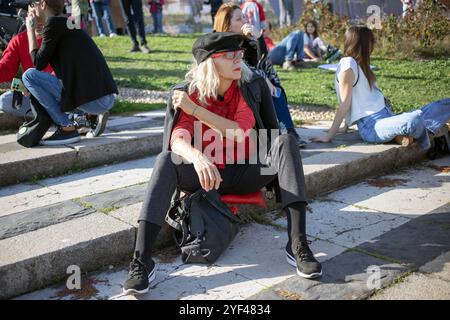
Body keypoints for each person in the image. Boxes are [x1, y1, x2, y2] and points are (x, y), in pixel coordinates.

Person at [122, 32, 322, 295]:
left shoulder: (245, 89)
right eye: (230, 56)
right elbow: (177, 140)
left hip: (246, 171)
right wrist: (197, 156)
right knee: (164, 160)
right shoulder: (190, 93)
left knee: (285, 142)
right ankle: (141, 261)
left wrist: (195, 110)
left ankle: (298, 245)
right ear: (210, 63)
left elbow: (240, 131)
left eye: (239, 54)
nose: (239, 59)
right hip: (206, 177)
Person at [311, 26, 450, 150]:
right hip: (372, 126)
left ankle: (413, 131)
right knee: (414, 118)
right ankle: (420, 132)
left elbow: (355, 98)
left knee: (445, 103)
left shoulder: (360, 64)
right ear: (363, 44)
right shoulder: (348, 64)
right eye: (371, 42)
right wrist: (329, 135)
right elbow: (345, 102)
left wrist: (345, 127)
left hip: (387, 116)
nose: (373, 46)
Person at [22, 0, 118, 145]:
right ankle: (87, 117)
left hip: (95, 100)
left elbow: (38, 62)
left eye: (31, 6)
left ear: (42, 4)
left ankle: (66, 128)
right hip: (106, 96)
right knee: (48, 81)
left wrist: (30, 30)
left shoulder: (53, 23)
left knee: (29, 76)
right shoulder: (67, 22)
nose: (30, 13)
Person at [214, 3, 308, 147]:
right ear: (227, 25)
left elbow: (262, 62)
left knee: (276, 91)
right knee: (271, 90)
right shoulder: (221, 44)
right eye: (239, 19)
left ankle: (288, 131)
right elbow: (240, 68)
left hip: (252, 81)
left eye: (244, 17)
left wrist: (259, 39)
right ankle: (282, 133)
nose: (245, 21)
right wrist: (264, 79)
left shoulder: (246, 40)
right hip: (234, 87)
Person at [0, 6, 53, 119]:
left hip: (57, 91)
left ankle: (52, 117)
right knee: (5, 101)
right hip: (35, 96)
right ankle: (49, 117)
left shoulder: (59, 35)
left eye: (41, 16)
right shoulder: (19, 40)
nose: (38, 21)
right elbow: (5, 68)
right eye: (34, 16)